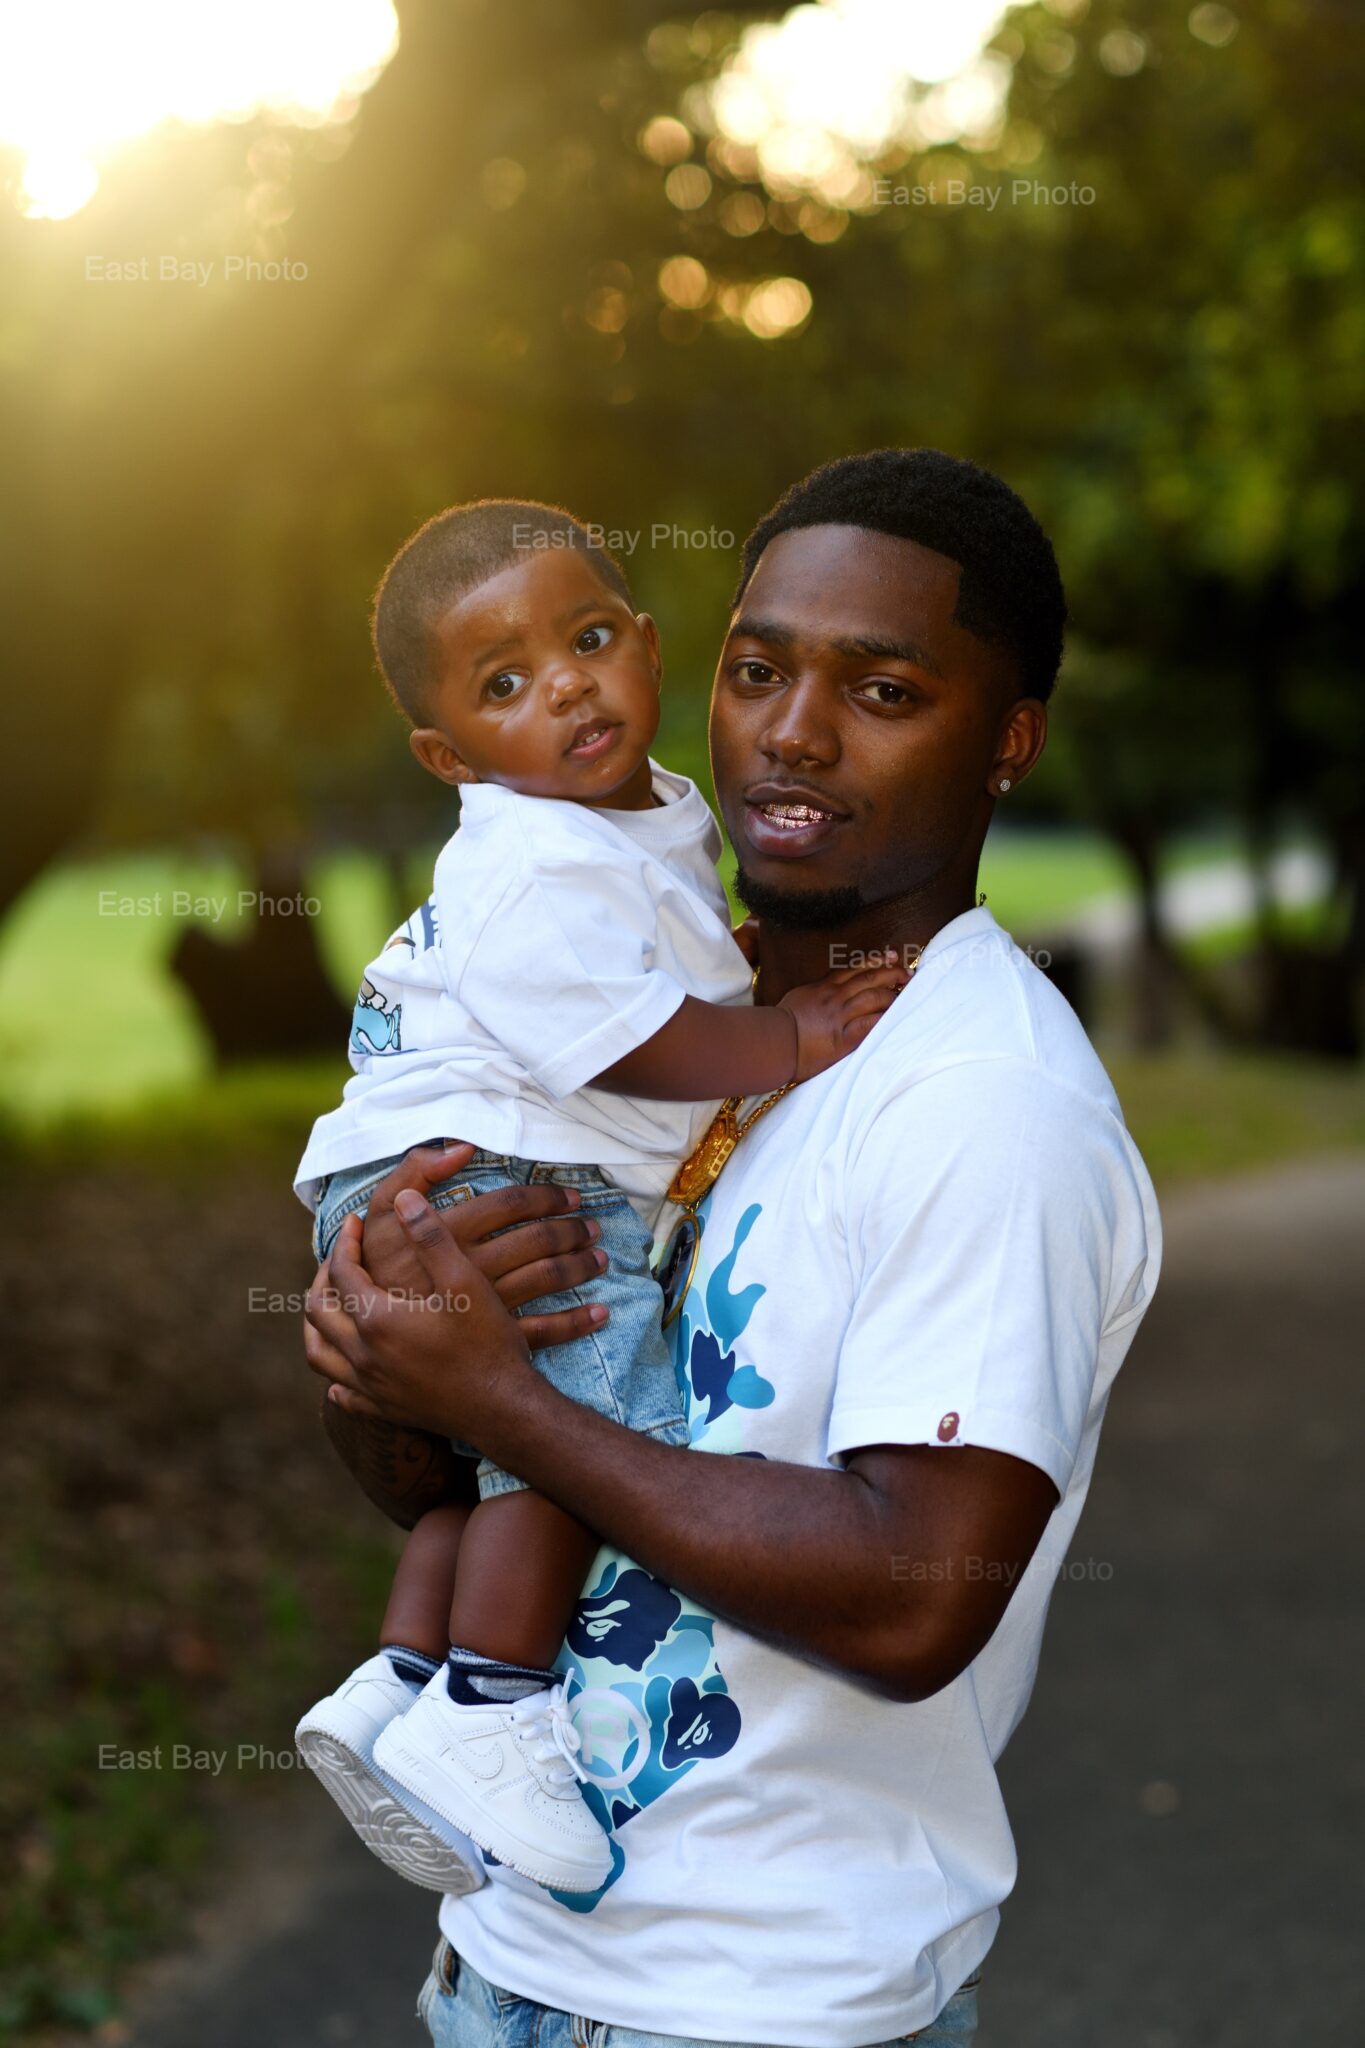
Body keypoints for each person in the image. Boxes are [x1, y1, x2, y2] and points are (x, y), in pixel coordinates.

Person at [304, 449, 1163, 2048]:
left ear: (1007, 742)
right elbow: (447, 1475)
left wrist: (502, 1402)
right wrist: (384, 1361)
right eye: (759, 670)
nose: (792, 733)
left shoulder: (984, 1102)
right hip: (507, 1968)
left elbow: (913, 1599)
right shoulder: (659, 1017)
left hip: (749, 2006)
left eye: (883, 691)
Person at [292, 499, 906, 1898]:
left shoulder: (632, 819)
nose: (565, 689)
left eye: (584, 643)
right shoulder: (531, 858)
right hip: (487, 1174)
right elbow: (624, 1038)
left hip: (457, 1165)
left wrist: (741, 966)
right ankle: (495, 1706)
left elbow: (654, 961)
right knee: (587, 1432)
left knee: (496, 1444)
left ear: (646, 644)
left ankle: (400, 1685)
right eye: (505, 683)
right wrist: (787, 1035)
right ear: (450, 756)